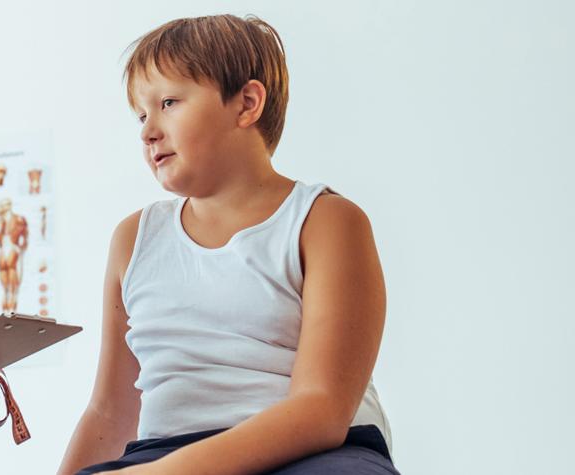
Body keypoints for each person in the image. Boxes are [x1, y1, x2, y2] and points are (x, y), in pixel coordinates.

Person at [59, 14, 396, 474]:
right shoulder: (133, 239)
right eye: (141, 114)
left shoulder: (326, 221)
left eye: (169, 102)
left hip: (316, 455)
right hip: (163, 453)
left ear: (247, 103)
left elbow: (322, 410)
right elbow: (111, 411)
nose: (147, 131)